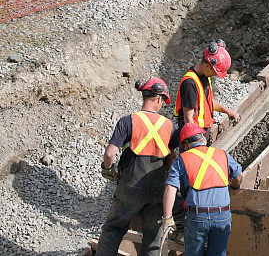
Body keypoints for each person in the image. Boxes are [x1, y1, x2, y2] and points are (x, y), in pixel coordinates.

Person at [96, 78, 179, 256]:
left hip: (130, 187)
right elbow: (172, 158)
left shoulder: (127, 121)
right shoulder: (169, 126)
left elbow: (110, 154)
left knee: (113, 229)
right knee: (152, 239)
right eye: (162, 101)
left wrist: (107, 169)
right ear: (158, 99)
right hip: (157, 189)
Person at [161, 122, 242, 256]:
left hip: (198, 216)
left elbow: (170, 188)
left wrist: (168, 217)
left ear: (185, 145)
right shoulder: (222, 154)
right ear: (203, 138)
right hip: (222, 215)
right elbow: (238, 176)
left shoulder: (181, 160)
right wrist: (234, 186)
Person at [173, 39, 240, 136]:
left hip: (203, 132)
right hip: (193, 137)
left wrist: (228, 112)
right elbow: (188, 119)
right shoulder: (190, 84)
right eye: (214, 72)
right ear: (207, 65)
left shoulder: (204, 76)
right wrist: (197, 141)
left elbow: (208, 102)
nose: (214, 75)